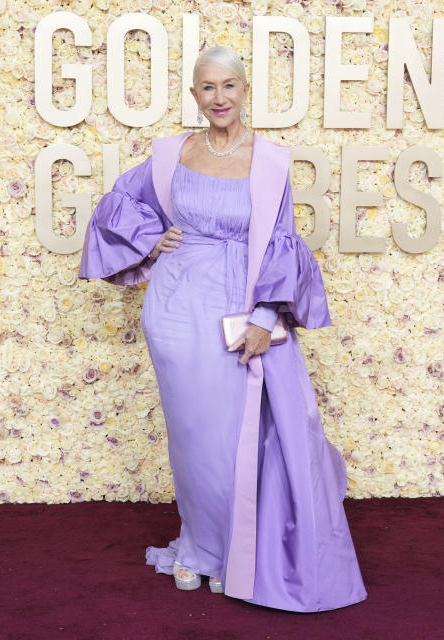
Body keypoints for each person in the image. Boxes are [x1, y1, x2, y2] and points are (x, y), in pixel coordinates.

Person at [78, 45, 367, 613]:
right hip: (175, 308)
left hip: (239, 308)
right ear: (193, 95)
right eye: (207, 88)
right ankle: (200, 547)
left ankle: (238, 552)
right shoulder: (169, 154)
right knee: (192, 438)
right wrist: (149, 239)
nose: (219, 98)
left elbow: (282, 242)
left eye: (228, 86)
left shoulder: (272, 161)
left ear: (244, 90)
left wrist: (266, 317)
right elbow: (117, 205)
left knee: (237, 436)